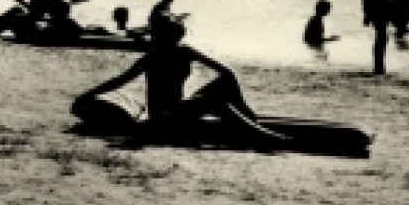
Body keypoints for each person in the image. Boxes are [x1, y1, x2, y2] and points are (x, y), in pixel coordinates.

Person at [71, 15, 290, 148]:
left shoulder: (177, 52)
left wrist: (242, 106)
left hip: (178, 110)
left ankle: (249, 121)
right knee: (216, 102)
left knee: (222, 84)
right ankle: (262, 136)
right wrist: (89, 95)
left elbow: (227, 73)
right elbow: (120, 81)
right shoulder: (157, 57)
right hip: (162, 118)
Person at [361, 0, 393, 75]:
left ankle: (379, 66)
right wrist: (367, 14)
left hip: (378, 11)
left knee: (382, 38)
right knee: (382, 38)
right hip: (378, 11)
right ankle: (379, 67)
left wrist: (367, 14)